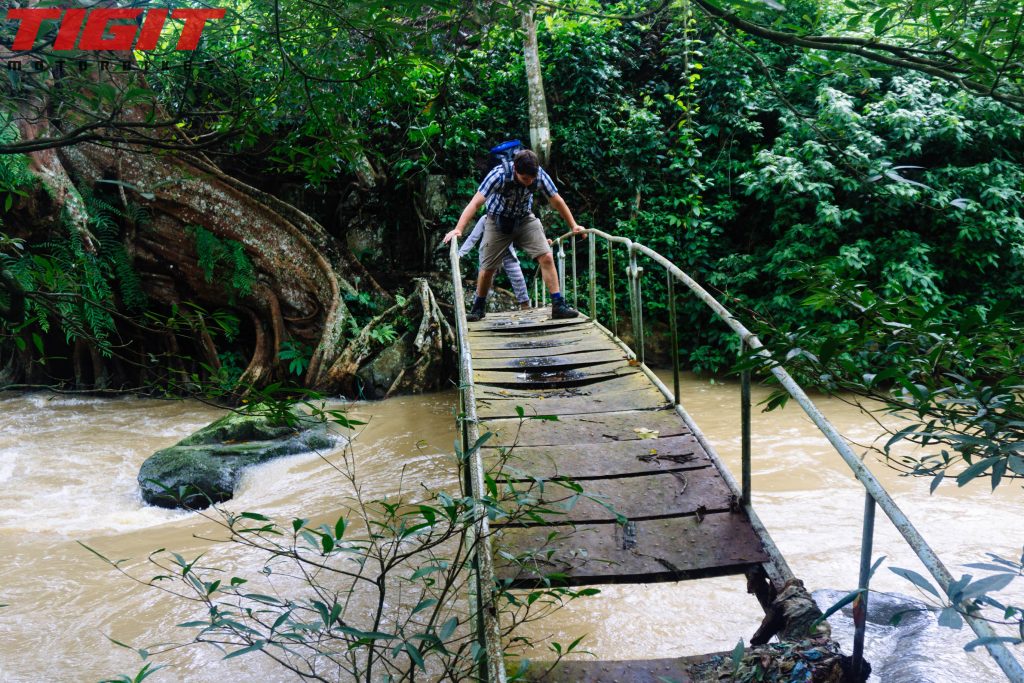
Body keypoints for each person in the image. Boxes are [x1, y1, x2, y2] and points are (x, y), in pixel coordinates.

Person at [443, 149, 586, 321]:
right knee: (488, 268)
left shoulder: (538, 175)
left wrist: (573, 225)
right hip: (497, 221)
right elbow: (475, 203)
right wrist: (459, 228)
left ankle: (558, 305)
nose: (530, 182)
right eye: (526, 178)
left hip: (524, 219)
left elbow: (557, 200)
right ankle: (478, 308)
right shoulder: (499, 175)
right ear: (516, 170)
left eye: (532, 178)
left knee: (546, 256)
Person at [458, 215, 531, 310]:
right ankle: (478, 307)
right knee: (484, 279)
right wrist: (460, 253)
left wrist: (543, 243)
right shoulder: (485, 219)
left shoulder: (511, 216)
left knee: (518, 276)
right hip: (489, 251)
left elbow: (524, 236)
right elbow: (473, 237)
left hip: (507, 251)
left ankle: (524, 304)